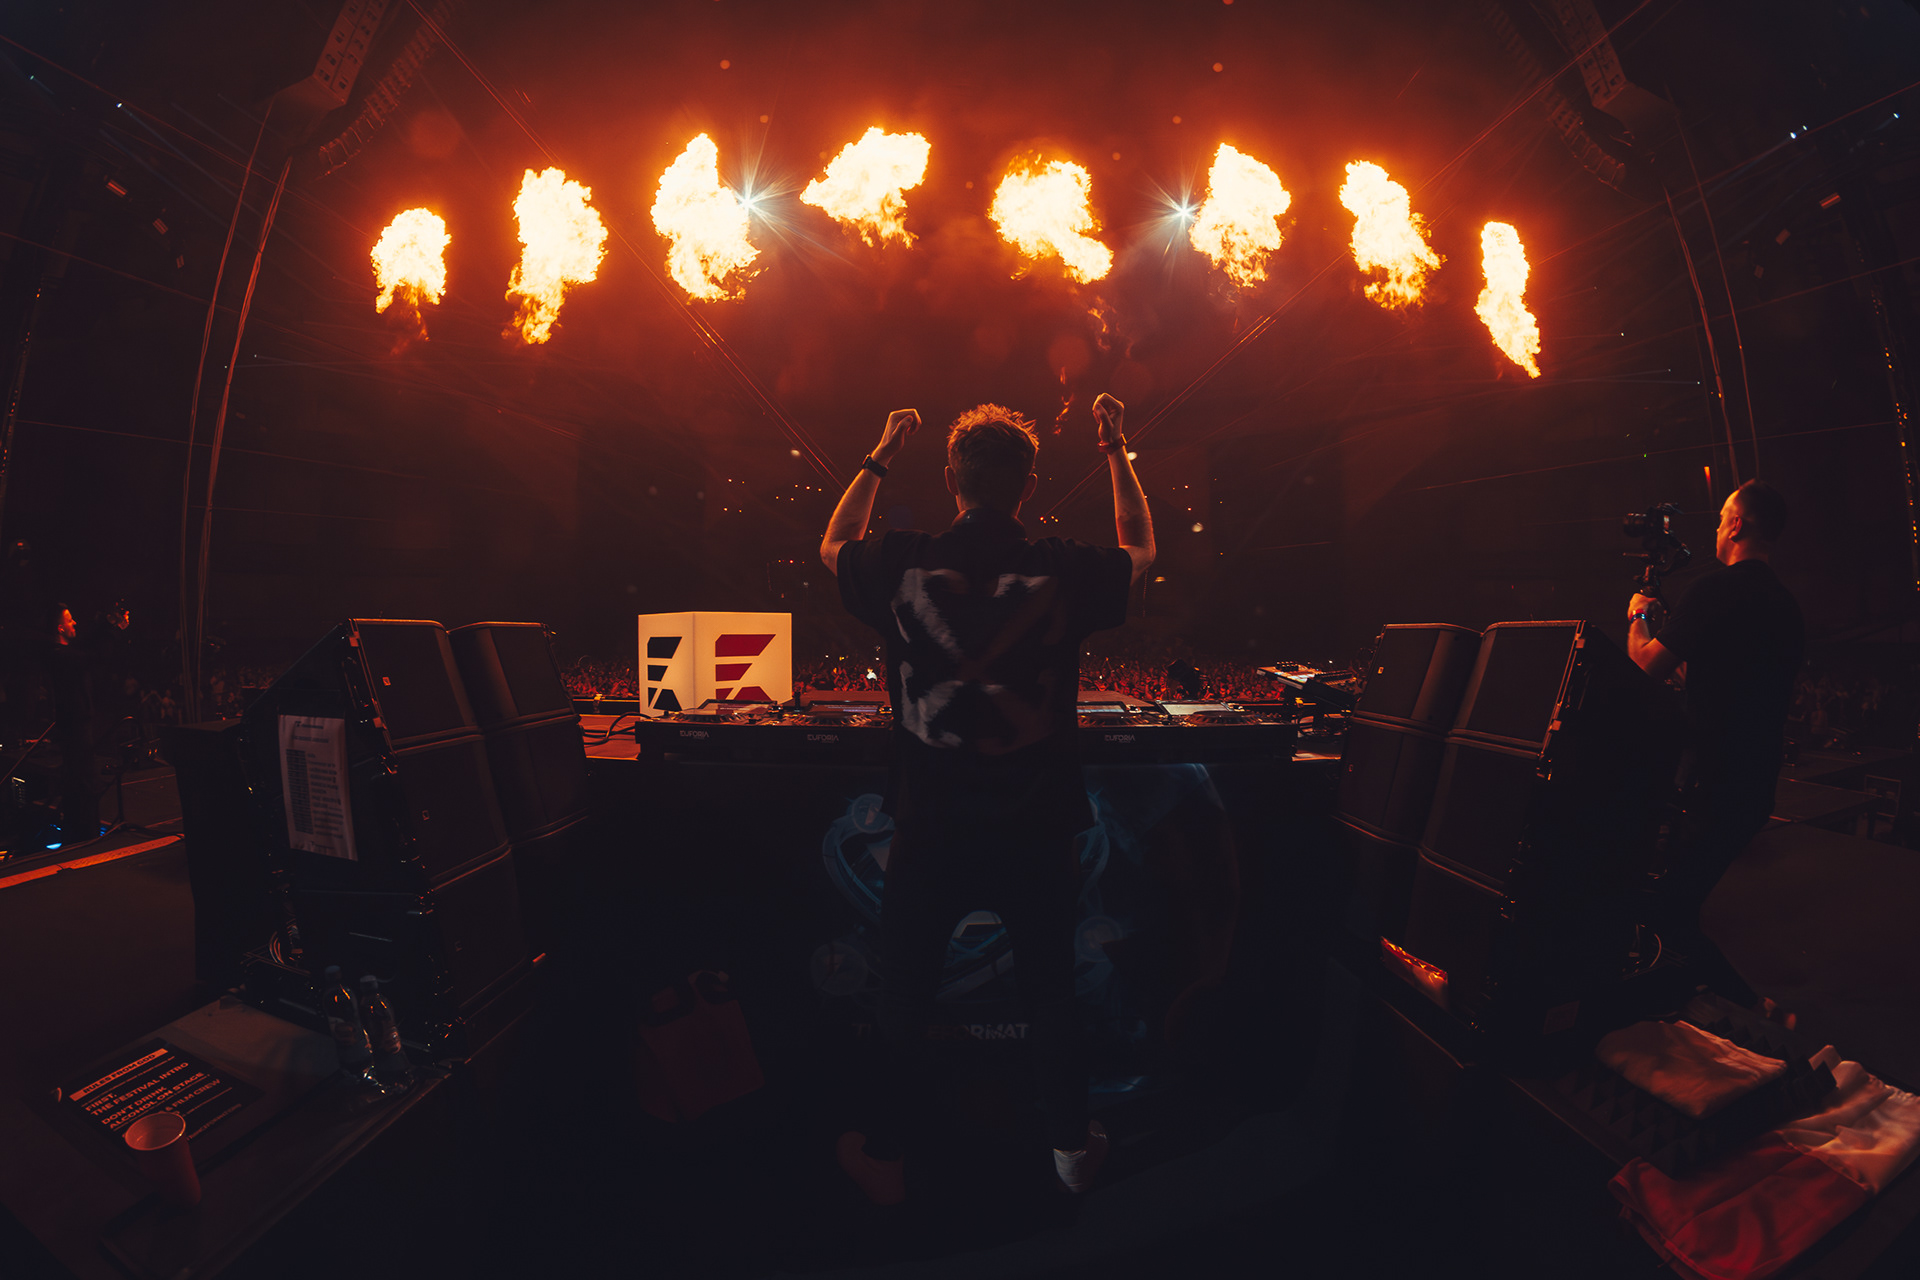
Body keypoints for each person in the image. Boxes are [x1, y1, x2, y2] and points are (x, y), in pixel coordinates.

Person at [820, 393, 1153, 1204]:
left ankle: (887, 1159)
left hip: (930, 827)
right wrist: (1116, 448)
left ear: (951, 479)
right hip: (1035, 828)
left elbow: (832, 544)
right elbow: (1140, 548)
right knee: (1051, 995)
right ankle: (1071, 1156)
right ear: (1029, 486)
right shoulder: (1061, 567)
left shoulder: (902, 562)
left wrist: (879, 451)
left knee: (903, 996)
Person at [1626, 480, 1805, 1005]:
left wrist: (1639, 615)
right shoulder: (1786, 606)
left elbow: (1645, 666)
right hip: (1754, 786)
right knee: (1677, 899)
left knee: (1666, 909)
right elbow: (1728, 680)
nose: (1718, 527)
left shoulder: (1713, 590)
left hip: (1709, 782)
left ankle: (1752, 1009)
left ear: (1737, 525)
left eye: (1723, 516)